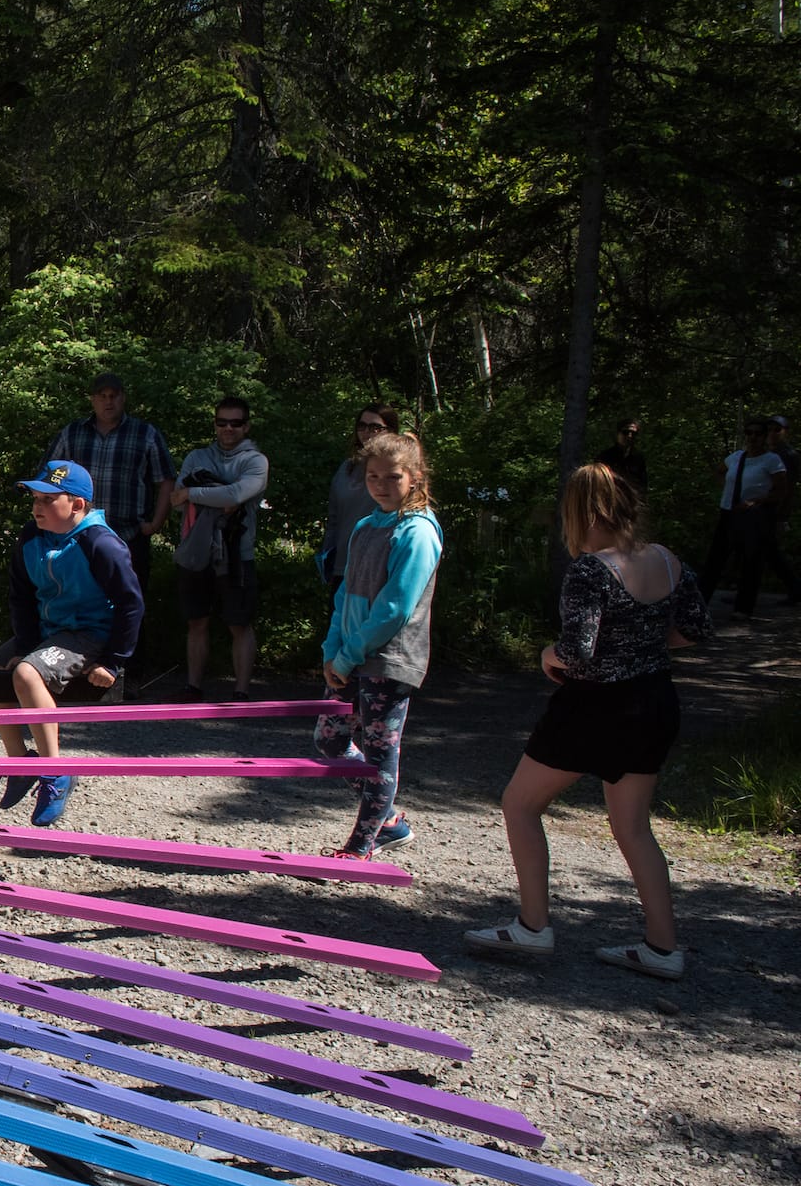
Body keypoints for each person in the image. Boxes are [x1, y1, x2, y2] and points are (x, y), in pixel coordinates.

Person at [463, 464, 712, 978]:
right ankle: (663, 949)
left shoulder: (590, 570)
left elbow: (576, 653)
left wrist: (545, 654)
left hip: (594, 708)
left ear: (583, 513)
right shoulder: (669, 561)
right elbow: (695, 629)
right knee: (633, 827)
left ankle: (533, 926)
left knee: (520, 803)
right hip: (653, 702)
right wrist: (639, 646)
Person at [0, 461, 143, 828]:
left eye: (49, 499)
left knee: (26, 674)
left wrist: (113, 661)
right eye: (36, 498)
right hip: (48, 630)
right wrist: (23, 644)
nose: (38, 507)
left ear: (78, 505)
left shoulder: (100, 543)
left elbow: (131, 603)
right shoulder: (31, 536)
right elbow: (20, 596)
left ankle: (55, 772)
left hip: (90, 633)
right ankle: (21, 763)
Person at [313, 431, 442, 860]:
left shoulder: (418, 532)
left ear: (415, 477)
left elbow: (395, 608)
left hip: (389, 659)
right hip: (349, 655)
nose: (381, 485)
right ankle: (387, 819)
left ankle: (362, 844)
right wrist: (333, 650)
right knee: (329, 738)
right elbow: (346, 591)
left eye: (392, 477)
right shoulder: (368, 525)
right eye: (373, 476)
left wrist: (350, 655)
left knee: (379, 751)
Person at [43, 373, 174, 645]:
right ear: (92, 400)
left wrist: (155, 523)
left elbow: (166, 481)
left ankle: (129, 676)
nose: (108, 401)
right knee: (78, 603)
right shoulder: (73, 433)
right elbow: (47, 480)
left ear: (123, 397)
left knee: (129, 606)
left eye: (113, 395)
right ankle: (79, 672)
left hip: (127, 537)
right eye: (101, 396)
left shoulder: (145, 434)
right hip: (77, 540)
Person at [168, 396, 269, 701]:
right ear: (214, 424)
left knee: (239, 623)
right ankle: (194, 686)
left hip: (237, 555)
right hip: (197, 553)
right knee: (196, 620)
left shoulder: (255, 461)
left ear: (246, 425)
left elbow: (239, 493)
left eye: (235, 423)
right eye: (222, 422)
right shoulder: (196, 456)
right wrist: (220, 496)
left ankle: (240, 692)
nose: (228, 428)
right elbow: (176, 498)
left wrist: (195, 492)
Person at [698, 417, 785, 619]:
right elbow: (719, 472)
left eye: (757, 433)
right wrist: (727, 489)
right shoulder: (736, 457)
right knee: (715, 559)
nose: (753, 437)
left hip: (753, 515)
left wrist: (758, 501)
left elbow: (781, 490)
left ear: (764, 436)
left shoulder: (772, 460)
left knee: (751, 560)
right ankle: (699, 603)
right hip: (728, 512)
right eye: (749, 433)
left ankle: (743, 608)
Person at [320, 404, 400, 589]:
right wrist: (327, 556)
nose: (367, 433)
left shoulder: (397, 472)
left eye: (375, 427)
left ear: (391, 431)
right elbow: (334, 518)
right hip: (343, 566)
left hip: (378, 567)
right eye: (362, 426)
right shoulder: (346, 469)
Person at [764, 416, 801, 604]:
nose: (771, 434)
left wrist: (781, 514)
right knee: (763, 550)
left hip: (774, 510)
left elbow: (787, 488)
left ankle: (795, 588)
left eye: (776, 430)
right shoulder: (766, 453)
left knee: (771, 551)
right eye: (769, 429)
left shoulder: (787, 455)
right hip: (763, 507)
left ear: (786, 432)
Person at [594, 418, 648, 507]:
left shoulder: (638, 458)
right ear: (618, 434)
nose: (630, 436)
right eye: (625, 432)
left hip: (632, 504)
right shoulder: (605, 457)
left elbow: (642, 484)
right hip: (610, 503)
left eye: (634, 433)